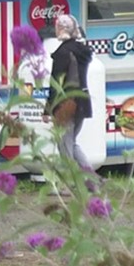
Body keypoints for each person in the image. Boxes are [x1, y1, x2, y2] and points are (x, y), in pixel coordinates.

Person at [44, 14, 94, 171]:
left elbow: (56, 83)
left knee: (64, 146)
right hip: (83, 101)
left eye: (57, 27)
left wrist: (48, 109)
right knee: (70, 143)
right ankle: (92, 178)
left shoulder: (62, 53)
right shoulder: (83, 51)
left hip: (66, 104)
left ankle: (71, 184)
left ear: (61, 29)